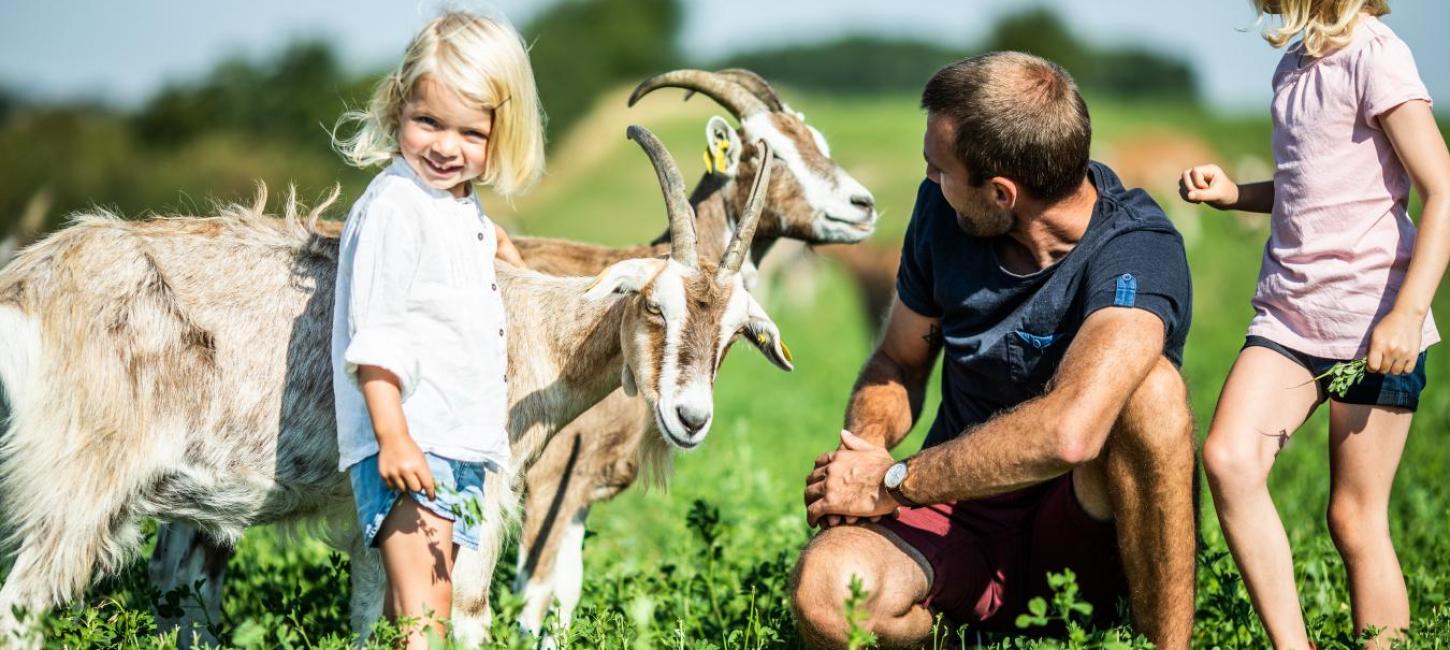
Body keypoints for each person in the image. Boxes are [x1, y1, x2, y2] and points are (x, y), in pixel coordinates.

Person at [793, 51, 1197, 649]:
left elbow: (1072, 433)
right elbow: (898, 362)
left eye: (941, 169)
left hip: (1086, 518)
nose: (930, 181)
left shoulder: (1138, 248)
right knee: (829, 595)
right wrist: (865, 453)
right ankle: (961, 629)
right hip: (960, 512)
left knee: (1154, 391)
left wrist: (894, 482)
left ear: (1002, 193)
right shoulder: (943, 213)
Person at [1182, 1, 1448, 647]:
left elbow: (1441, 189)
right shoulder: (1293, 67)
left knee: (1354, 520)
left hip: (1375, 322)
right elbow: (1313, 182)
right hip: (1289, 317)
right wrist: (1237, 194)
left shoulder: (1376, 55)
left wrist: (1407, 314)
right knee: (1228, 459)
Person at [328, 10, 543, 647]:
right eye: (428, 122)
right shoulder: (394, 208)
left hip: (454, 444)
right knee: (421, 617)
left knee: (433, 607)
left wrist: (491, 244)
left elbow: (445, 270)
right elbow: (378, 335)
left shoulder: (453, 206)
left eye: (470, 133)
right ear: (398, 110)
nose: (447, 147)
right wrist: (392, 437)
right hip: (413, 444)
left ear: (500, 135)